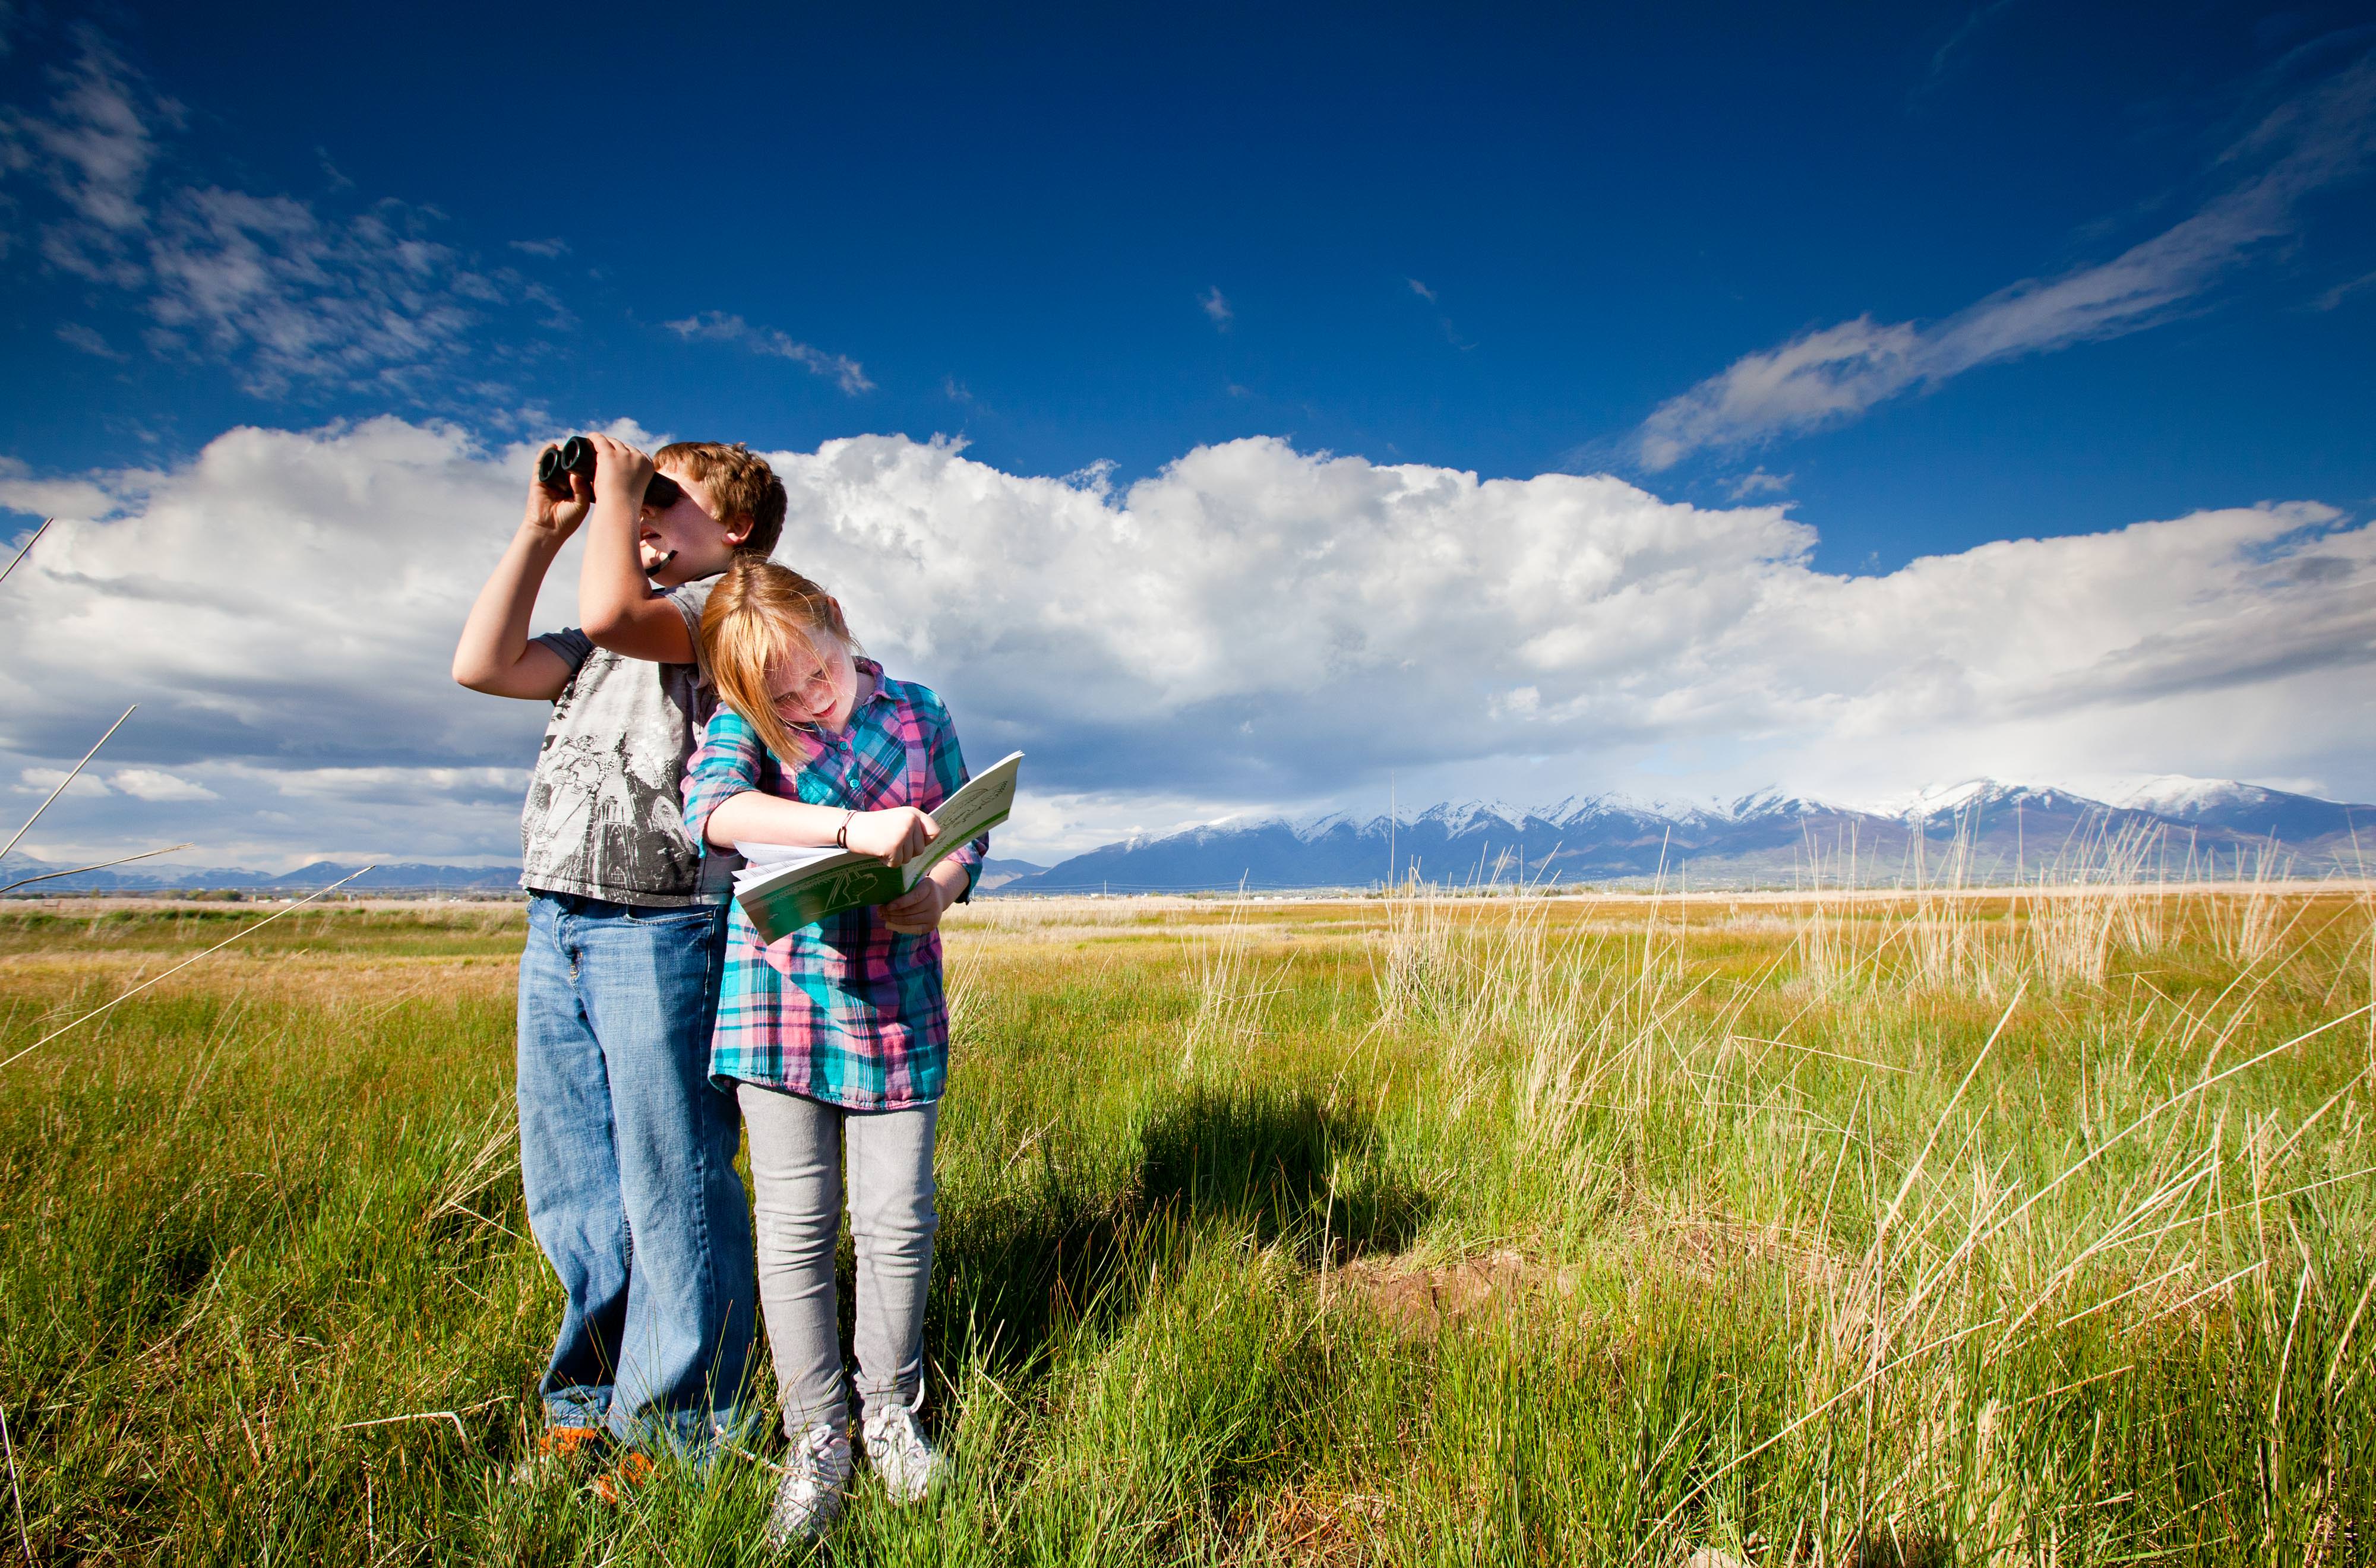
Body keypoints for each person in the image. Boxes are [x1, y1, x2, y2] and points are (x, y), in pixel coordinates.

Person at [450, 434, 786, 1492]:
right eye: (633, 503)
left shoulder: (721, 615)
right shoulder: (605, 626)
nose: (637, 517)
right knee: (577, 1185)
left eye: (661, 502)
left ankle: (685, 1431)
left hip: (664, 925)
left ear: (732, 530)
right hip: (559, 920)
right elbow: (482, 664)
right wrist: (543, 527)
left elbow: (609, 614)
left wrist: (614, 498)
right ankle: (589, 1399)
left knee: (673, 1180)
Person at [681, 557, 985, 1542]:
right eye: (785, 698)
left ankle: (892, 1411)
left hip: (898, 991)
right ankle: (817, 1438)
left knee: (899, 1221)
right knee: (796, 1227)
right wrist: (855, 832)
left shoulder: (918, 710)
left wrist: (934, 890)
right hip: (780, 994)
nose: (811, 701)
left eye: (819, 674)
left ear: (835, 622)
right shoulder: (752, 721)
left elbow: (963, 833)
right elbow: (715, 810)